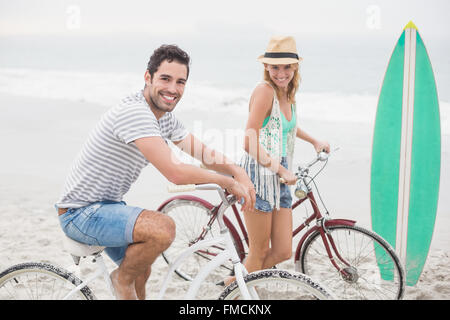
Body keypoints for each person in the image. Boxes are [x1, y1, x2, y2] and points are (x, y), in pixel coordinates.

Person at [55, 44, 255, 300]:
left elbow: (203, 154)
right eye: (165, 79)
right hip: (81, 212)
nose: (173, 89)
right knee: (162, 228)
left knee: (142, 269)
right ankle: (121, 280)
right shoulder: (136, 113)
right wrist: (226, 181)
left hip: (107, 206)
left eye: (180, 82)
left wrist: (238, 172)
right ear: (148, 77)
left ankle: (126, 282)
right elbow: (176, 172)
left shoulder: (163, 117)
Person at [227, 36, 330, 284]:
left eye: (286, 66)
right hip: (259, 174)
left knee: (283, 250)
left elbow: (287, 127)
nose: (281, 73)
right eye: (275, 67)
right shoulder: (264, 91)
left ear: (295, 67)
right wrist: (281, 169)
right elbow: (249, 141)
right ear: (266, 67)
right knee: (259, 251)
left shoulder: (287, 92)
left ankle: (235, 283)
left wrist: (314, 141)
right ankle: (236, 290)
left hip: (280, 173)